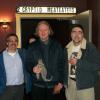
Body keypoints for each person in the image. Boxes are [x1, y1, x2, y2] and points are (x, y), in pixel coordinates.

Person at [26, 20, 67, 100]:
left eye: (45, 30)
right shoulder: (32, 46)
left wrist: (61, 82)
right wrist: (32, 69)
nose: (43, 32)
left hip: (54, 85)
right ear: (37, 32)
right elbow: (28, 63)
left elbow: (62, 65)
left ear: (49, 31)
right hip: (37, 86)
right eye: (40, 30)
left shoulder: (57, 45)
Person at [65, 24, 100, 100]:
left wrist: (78, 63)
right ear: (71, 34)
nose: (77, 35)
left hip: (85, 87)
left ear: (83, 34)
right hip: (70, 85)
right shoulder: (67, 48)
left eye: (79, 32)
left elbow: (97, 65)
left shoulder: (90, 47)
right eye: (74, 32)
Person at [0, 33, 31, 100]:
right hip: (6, 89)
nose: (13, 42)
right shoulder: (1, 57)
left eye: (15, 40)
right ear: (7, 43)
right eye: (11, 41)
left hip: (20, 88)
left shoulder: (23, 53)